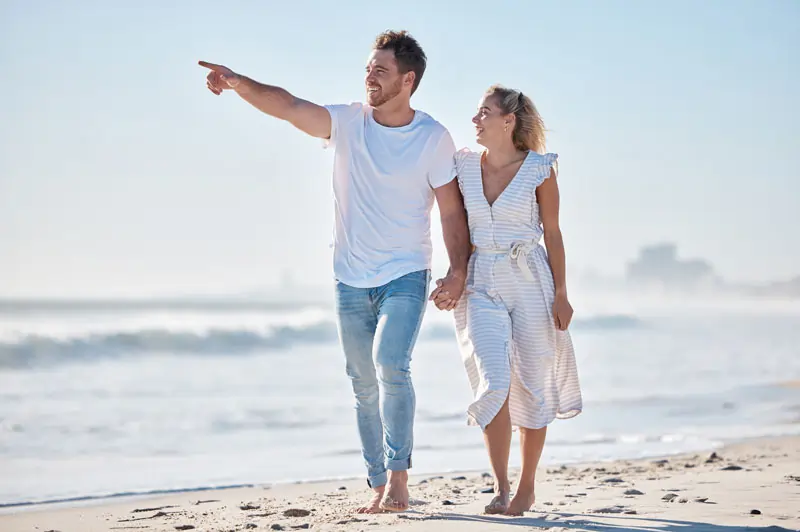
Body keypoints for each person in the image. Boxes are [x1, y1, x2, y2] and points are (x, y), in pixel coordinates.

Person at [199, 31, 470, 514]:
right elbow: (288, 106)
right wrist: (239, 83)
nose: (370, 76)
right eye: (368, 68)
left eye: (381, 70)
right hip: (349, 275)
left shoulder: (432, 137)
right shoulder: (347, 122)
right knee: (361, 381)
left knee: (391, 364)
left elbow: (451, 212)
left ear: (408, 80)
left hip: (406, 272)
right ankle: (376, 480)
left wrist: (457, 271)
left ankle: (400, 479)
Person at [430, 85, 583, 516]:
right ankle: (500, 485)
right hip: (481, 281)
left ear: (508, 121)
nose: (475, 120)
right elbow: (450, 218)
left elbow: (552, 234)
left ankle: (526, 486)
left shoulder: (540, 170)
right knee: (493, 382)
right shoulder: (462, 164)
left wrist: (562, 293)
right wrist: (453, 274)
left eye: (484, 113)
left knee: (532, 383)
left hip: (530, 279)